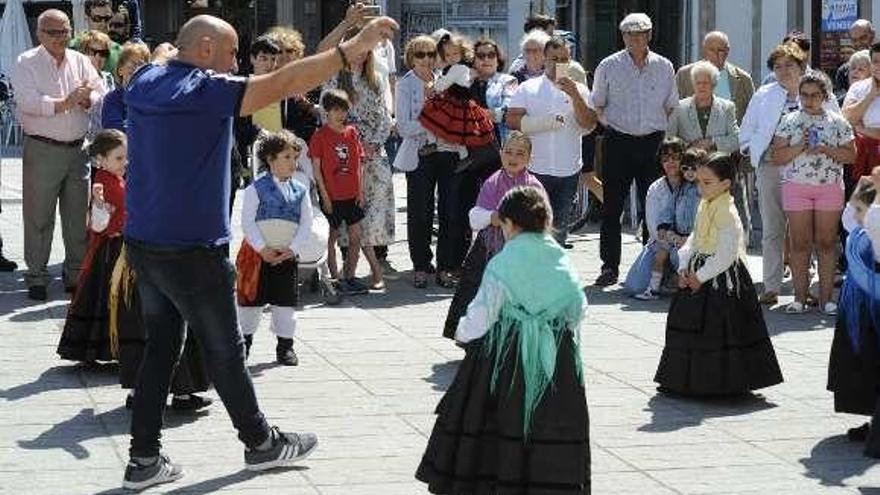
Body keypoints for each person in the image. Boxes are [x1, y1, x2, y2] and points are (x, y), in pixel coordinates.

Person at [120, 13, 396, 490]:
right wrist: (353, 48)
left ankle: (143, 459)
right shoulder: (205, 90)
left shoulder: (145, 79)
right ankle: (261, 443)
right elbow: (286, 79)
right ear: (205, 48)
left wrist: (170, 52)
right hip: (193, 249)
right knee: (226, 351)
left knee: (162, 349)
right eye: (230, 54)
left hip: (144, 243)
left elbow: (166, 53)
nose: (237, 65)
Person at [416, 186, 590, 495]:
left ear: (508, 224)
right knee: (550, 424)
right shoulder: (562, 260)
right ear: (546, 221)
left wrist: (463, 333)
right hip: (554, 358)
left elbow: (483, 312)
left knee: (499, 423)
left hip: (506, 357)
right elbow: (577, 309)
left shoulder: (503, 262)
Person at [654, 152, 783, 396]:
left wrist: (700, 276)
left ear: (725, 184)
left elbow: (726, 252)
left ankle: (720, 382)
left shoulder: (727, 212)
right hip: (697, 267)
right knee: (686, 321)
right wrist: (683, 265)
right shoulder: (705, 204)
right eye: (699, 182)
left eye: (707, 182)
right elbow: (694, 238)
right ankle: (683, 378)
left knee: (719, 327)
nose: (701, 187)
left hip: (720, 277)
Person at [11, 10, 105, 301]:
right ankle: (37, 275)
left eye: (65, 31)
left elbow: (99, 91)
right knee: (38, 217)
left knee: (77, 217)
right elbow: (27, 101)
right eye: (53, 32)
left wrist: (88, 98)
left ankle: (75, 274)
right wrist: (65, 103)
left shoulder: (80, 60)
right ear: (39, 34)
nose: (60, 38)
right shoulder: (26, 61)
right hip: (42, 148)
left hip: (78, 149)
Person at [740, 42, 839, 306]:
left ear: (801, 66)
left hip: (810, 172)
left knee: (804, 233)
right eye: (778, 66)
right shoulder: (763, 94)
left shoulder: (819, 91)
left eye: (789, 65)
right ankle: (771, 286)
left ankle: (803, 287)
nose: (783, 71)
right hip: (772, 167)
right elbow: (746, 132)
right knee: (773, 229)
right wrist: (757, 150)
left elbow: (838, 127)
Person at [590, 13, 678, 286]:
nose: (635, 38)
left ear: (650, 35)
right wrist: (612, 126)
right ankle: (609, 267)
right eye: (629, 34)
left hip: (653, 142)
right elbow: (597, 103)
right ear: (622, 36)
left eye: (641, 33)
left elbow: (671, 104)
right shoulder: (609, 65)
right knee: (612, 206)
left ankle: (651, 265)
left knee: (652, 206)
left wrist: (655, 127)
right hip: (618, 141)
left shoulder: (664, 66)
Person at [443, 131, 545, 339]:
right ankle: (471, 340)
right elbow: (475, 217)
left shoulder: (534, 187)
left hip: (520, 253)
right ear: (500, 154)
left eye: (520, 153)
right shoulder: (493, 182)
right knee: (475, 292)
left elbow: (541, 221)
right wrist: (492, 216)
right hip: (487, 249)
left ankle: (511, 342)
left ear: (529, 158)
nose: (513, 158)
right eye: (508, 152)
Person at [771, 73, 855, 315]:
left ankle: (826, 299)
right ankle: (798, 298)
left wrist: (826, 148)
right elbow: (777, 157)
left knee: (827, 243)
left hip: (828, 188)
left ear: (825, 96)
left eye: (814, 95)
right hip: (796, 187)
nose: (809, 100)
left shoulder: (838, 122)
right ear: (799, 95)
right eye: (804, 95)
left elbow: (851, 156)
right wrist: (801, 146)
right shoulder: (788, 120)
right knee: (799, 244)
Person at [507, 36, 597, 247]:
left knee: (558, 233)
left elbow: (589, 124)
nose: (559, 64)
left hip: (568, 171)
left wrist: (575, 95)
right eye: (554, 58)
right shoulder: (528, 87)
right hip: (535, 169)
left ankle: (550, 276)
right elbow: (511, 120)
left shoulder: (581, 90)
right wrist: (541, 123)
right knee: (532, 230)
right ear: (544, 59)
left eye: (564, 59)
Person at [236, 130, 312, 366]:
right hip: (258, 257)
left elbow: (306, 222)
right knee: (251, 303)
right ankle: (244, 344)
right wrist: (261, 248)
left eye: (294, 157)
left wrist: (293, 248)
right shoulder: (255, 189)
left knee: (285, 303)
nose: (293, 162)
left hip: (286, 256)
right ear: (270, 159)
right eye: (286, 157)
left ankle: (285, 346)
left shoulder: (301, 190)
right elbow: (247, 222)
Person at [325, 27, 395, 284]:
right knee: (349, 215)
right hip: (345, 156)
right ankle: (351, 270)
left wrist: (374, 143)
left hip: (374, 155)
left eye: (365, 50)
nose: (360, 55)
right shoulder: (334, 78)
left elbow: (386, 116)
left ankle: (370, 269)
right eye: (355, 48)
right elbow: (327, 116)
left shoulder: (375, 78)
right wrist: (354, 144)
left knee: (373, 213)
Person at [56, 129, 128, 363]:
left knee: (117, 299)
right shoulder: (101, 182)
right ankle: (100, 348)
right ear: (101, 159)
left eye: (125, 157)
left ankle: (116, 348)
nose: (124, 162)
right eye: (118, 158)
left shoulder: (117, 178)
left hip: (123, 247)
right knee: (105, 298)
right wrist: (98, 205)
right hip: (109, 251)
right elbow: (97, 226)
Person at [828, 171, 880, 457]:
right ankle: (874, 417)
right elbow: (850, 221)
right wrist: (866, 197)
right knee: (863, 353)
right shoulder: (870, 184)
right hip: (861, 289)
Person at [310, 89, 383, 292]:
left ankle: (349, 275)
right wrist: (324, 196)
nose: (340, 114)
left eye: (343, 110)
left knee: (356, 237)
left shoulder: (352, 132)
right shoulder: (320, 136)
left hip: (352, 195)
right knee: (331, 239)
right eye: (335, 110)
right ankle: (334, 278)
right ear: (326, 111)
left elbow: (358, 163)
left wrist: (359, 191)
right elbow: (316, 168)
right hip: (331, 197)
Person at [394, 35, 451, 288]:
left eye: (430, 54)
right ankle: (420, 264)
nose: (426, 60)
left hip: (446, 152)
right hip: (419, 154)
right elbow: (404, 127)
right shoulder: (405, 85)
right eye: (420, 55)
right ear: (411, 59)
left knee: (449, 210)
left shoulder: (444, 82)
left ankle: (444, 264)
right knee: (420, 212)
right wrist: (431, 117)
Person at [623, 138, 691, 298]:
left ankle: (676, 278)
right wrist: (672, 239)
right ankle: (665, 278)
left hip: (685, 242)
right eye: (665, 159)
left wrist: (683, 241)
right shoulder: (655, 188)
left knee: (677, 255)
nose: (670, 162)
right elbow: (653, 227)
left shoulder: (692, 185)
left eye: (675, 157)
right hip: (659, 243)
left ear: (683, 158)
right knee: (634, 287)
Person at [676, 31, 755, 125]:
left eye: (720, 50)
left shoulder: (743, 79)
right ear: (704, 50)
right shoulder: (684, 75)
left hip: (730, 136)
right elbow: (674, 109)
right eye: (711, 50)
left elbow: (754, 114)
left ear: (727, 51)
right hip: (693, 137)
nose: (716, 54)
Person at [667, 61, 740, 153]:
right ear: (693, 85)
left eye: (705, 83)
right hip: (689, 163)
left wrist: (712, 142)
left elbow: (736, 139)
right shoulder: (679, 107)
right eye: (698, 83)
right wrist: (690, 147)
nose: (701, 86)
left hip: (717, 164)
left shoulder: (727, 107)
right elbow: (670, 138)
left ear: (713, 85)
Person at [101, 41, 151, 131]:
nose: (137, 68)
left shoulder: (151, 98)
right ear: (120, 70)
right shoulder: (112, 99)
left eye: (141, 64)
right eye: (132, 63)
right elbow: (114, 130)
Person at [76, 30, 116, 140]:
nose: (98, 57)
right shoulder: (75, 79)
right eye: (92, 52)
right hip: (82, 144)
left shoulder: (108, 78)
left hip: (105, 143)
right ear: (82, 53)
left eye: (103, 53)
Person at [70, 0, 122, 73]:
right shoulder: (71, 48)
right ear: (86, 16)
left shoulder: (119, 52)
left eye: (107, 18)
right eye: (97, 19)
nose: (103, 24)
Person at [836, 20, 876, 94]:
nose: (859, 43)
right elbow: (841, 101)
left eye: (863, 38)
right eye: (854, 40)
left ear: (872, 37)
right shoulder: (843, 71)